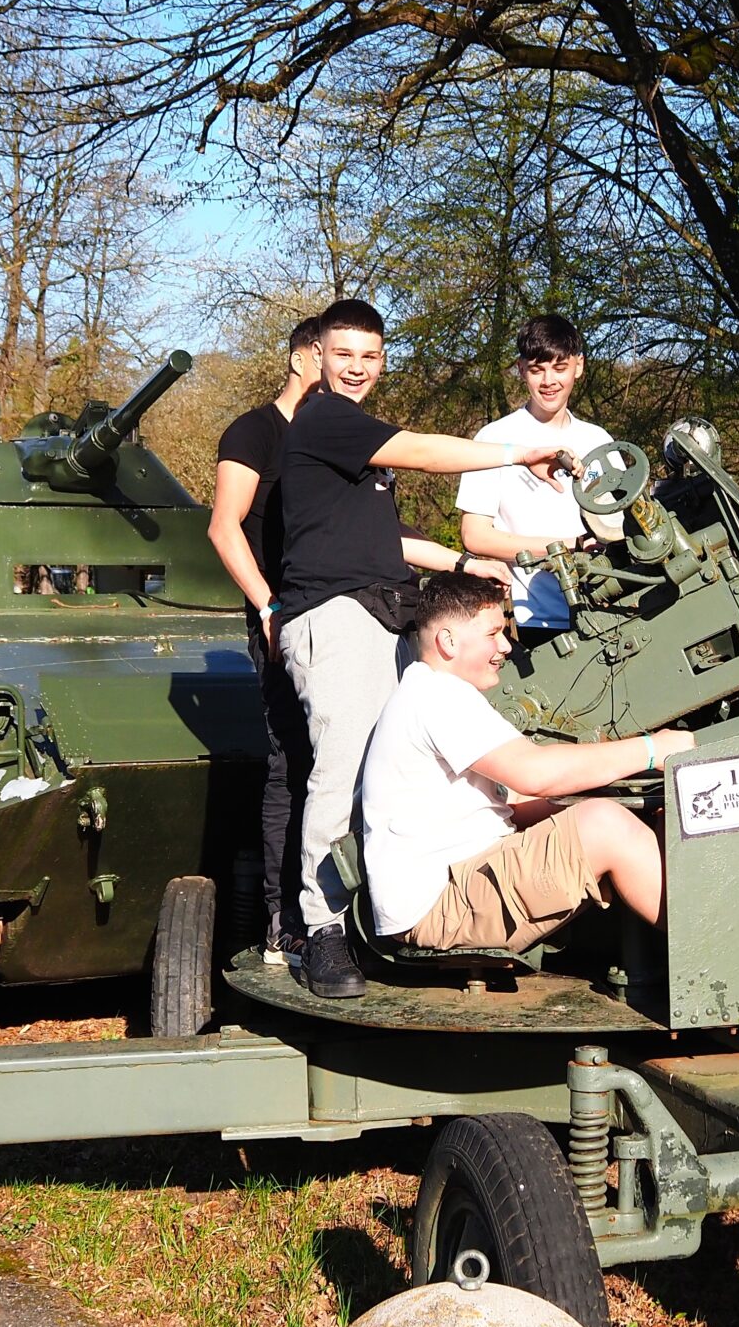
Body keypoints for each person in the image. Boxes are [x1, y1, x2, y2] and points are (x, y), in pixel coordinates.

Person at [278, 298, 570, 997]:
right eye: (343, 354)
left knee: (400, 765)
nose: (356, 367)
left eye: (369, 356)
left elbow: (386, 540)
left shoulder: (352, 449)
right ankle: (321, 930)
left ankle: (405, 910)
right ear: (318, 357)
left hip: (383, 611)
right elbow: (425, 451)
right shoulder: (324, 418)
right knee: (343, 771)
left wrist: (466, 564)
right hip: (335, 615)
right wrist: (519, 451)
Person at [359, 572, 692, 951]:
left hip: (460, 884)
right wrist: (651, 749)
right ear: (448, 641)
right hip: (441, 903)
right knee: (605, 825)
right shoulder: (436, 696)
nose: (505, 646)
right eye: (492, 633)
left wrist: (615, 794)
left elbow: (513, 804)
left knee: (612, 812)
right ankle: (717, 944)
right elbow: (533, 774)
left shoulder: (431, 691)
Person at [205, 315, 319, 962]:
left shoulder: (334, 434)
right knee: (290, 764)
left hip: (342, 621)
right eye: (330, 355)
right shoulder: (255, 431)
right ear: (302, 358)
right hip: (282, 622)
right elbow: (225, 527)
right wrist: (268, 606)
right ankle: (284, 919)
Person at [454, 314, 613, 629]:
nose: (549, 381)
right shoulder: (493, 439)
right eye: (538, 370)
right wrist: (571, 545)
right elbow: (475, 535)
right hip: (531, 620)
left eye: (560, 368)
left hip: (604, 613)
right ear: (521, 369)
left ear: (579, 366)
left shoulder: (600, 441)